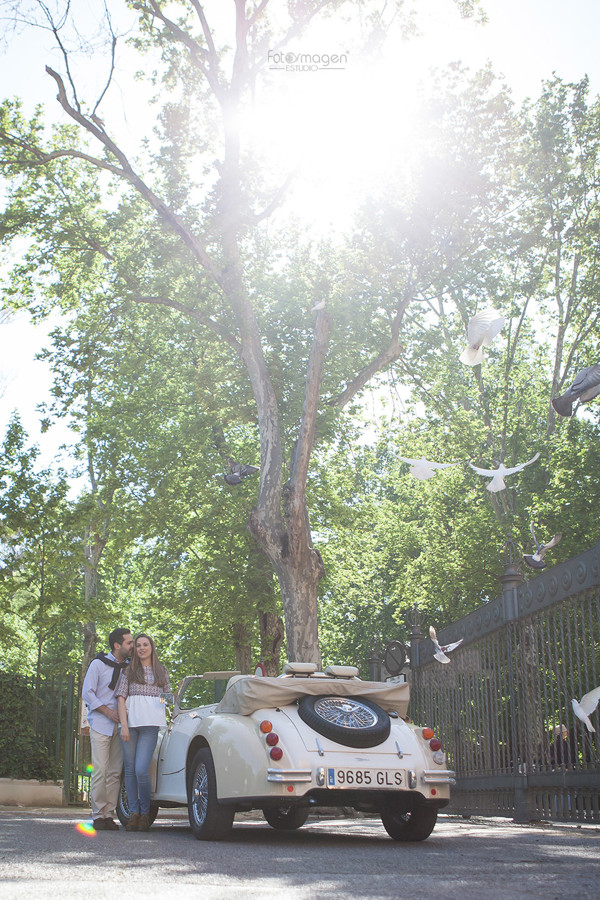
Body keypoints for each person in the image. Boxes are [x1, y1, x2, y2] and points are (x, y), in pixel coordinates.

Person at [116, 633, 171, 832]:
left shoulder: (161, 671)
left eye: (145, 644)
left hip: (150, 726)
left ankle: (146, 813)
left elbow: (167, 698)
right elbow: (121, 698)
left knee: (141, 769)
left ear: (151, 647)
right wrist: (123, 725)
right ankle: (134, 814)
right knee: (129, 769)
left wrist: (172, 699)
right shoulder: (129, 670)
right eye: (138, 645)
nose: (141, 648)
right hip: (130, 725)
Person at [81, 627, 134, 831]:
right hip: (102, 724)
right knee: (100, 770)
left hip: (121, 726)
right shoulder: (98, 664)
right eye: (129, 643)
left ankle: (109, 814)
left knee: (114, 772)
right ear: (117, 645)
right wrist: (106, 711)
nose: (132, 646)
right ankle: (97, 814)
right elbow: (88, 693)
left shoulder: (130, 668)